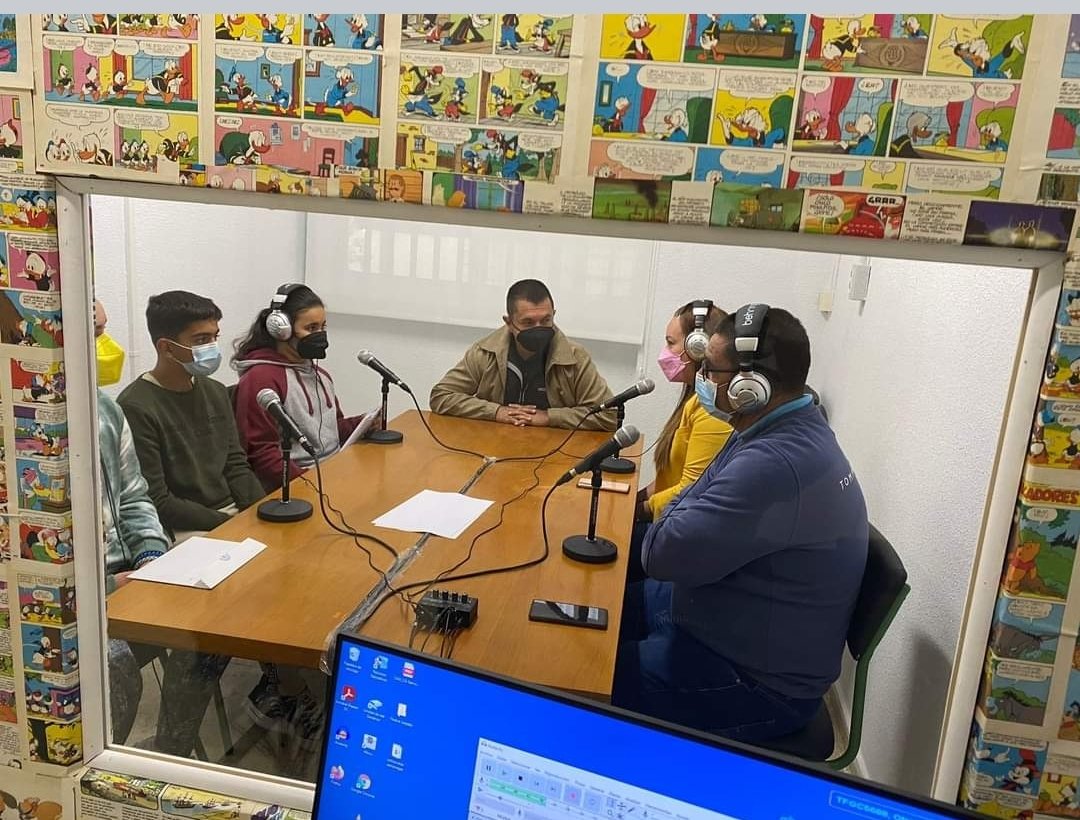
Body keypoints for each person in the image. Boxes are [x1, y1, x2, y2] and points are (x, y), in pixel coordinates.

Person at [613, 304, 868, 743]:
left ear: (752, 386)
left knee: (578, 680)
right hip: (722, 617)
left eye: (711, 369)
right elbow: (689, 507)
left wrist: (680, 508)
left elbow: (661, 553)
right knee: (596, 610)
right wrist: (686, 506)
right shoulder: (781, 428)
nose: (701, 379)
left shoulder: (774, 463)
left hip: (758, 684)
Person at [95, 304, 229, 755]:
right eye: (93, 333)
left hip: (133, 572)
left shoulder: (105, 412)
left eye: (103, 331)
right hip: (75, 598)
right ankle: (102, 769)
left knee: (207, 630)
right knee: (113, 666)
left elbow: (135, 497)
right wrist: (103, 586)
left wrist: (152, 559)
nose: (104, 346)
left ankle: (171, 752)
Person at [118, 291, 266, 542]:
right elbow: (158, 499)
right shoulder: (136, 406)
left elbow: (235, 463)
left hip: (234, 514)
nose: (211, 347)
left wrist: (260, 512)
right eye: (200, 339)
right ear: (166, 347)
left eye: (214, 337)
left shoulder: (216, 391)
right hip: (186, 527)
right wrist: (230, 525)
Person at [630, 301, 733, 578]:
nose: (665, 353)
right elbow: (668, 477)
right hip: (664, 518)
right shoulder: (694, 398)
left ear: (698, 348)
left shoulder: (713, 412)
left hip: (673, 531)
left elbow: (691, 491)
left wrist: (636, 512)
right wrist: (632, 500)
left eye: (671, 343)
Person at [429, 279, 616, 430]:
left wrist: (549, 417)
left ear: (554, 314)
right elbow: (441, 396)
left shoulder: (575, 358)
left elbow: (609, 415)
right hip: (494, 447)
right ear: (509, 322)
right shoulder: (485, 353)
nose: (538, 329)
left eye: (546, 320)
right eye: (528, 322)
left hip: (555, 452)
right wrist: (496, 412)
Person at [232, 283, 365, 490]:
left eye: (323, 327)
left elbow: (328, 432)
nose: (320, 334)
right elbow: (262, 455)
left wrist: (363, 423)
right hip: (298, 486)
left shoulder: (319, 374)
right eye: (311, 328)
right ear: (281, 331)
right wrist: (311, 484)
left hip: (332, 474)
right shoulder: (261, 380)